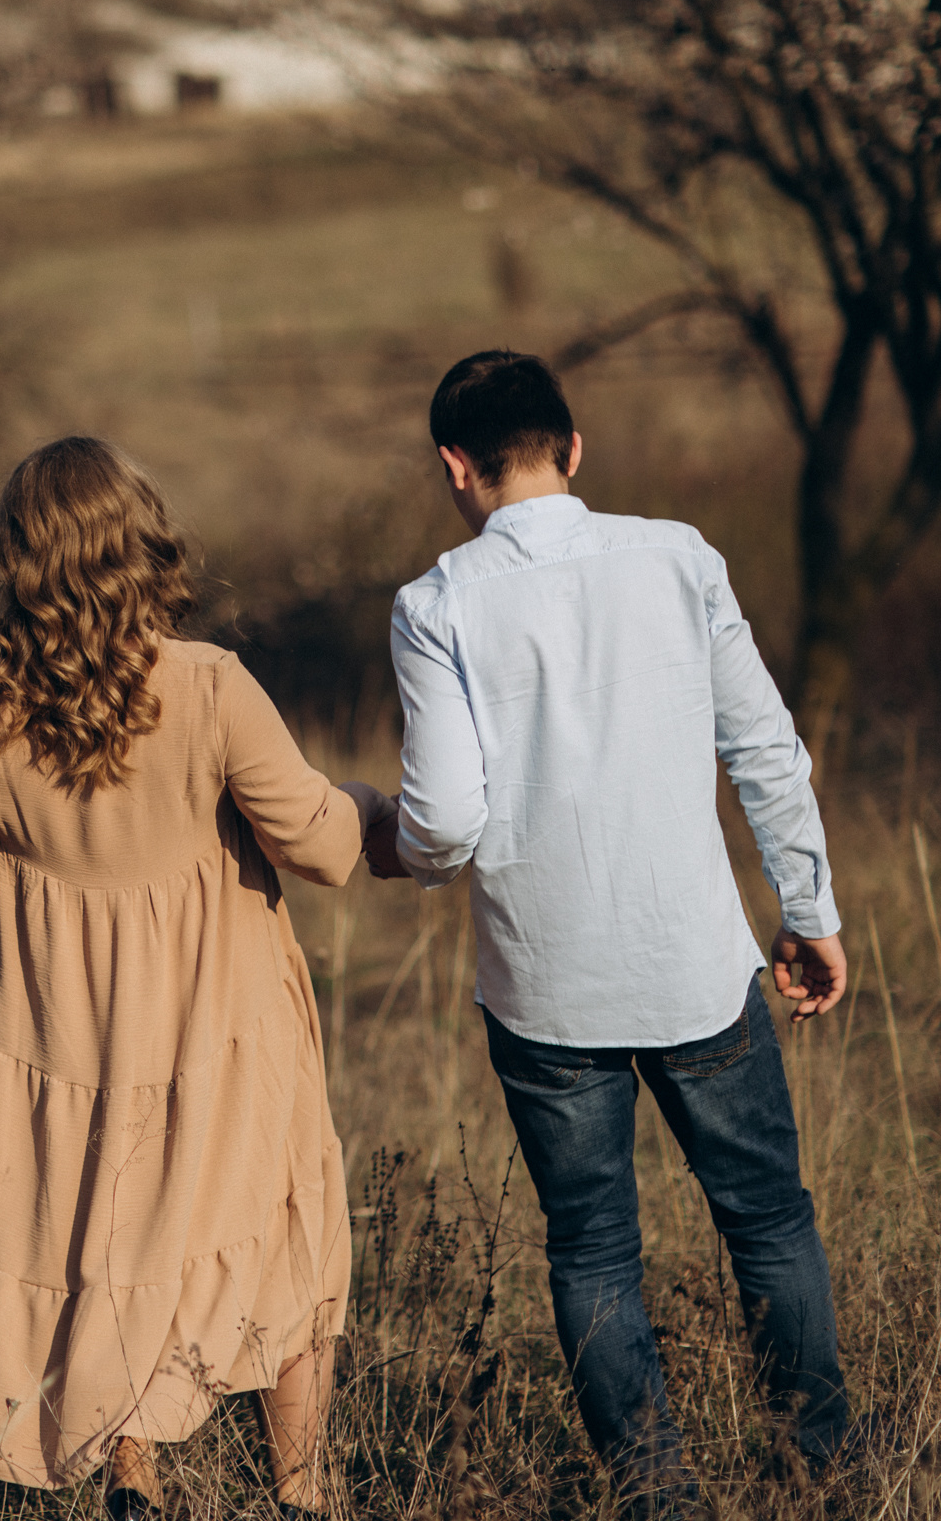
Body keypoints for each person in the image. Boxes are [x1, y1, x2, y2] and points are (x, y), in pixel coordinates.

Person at [0, 436, 389, 1518]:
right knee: (290, 1241)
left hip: (73, 1051)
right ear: (142, 542)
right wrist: (388, 809)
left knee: (107, 1245)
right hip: (228, 1036)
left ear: (18, 561)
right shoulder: (212, 688)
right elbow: (322, 844)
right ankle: (302, 1495)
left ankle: (132, 1473)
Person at [361, 351, 851, 1517]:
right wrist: (811, 911)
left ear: (452, 468)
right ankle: (824, 1461)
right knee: (769, 1217)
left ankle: (654, 1489)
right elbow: (767, 751)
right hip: (696, 962)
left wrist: (397, 848)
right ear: (572, 450)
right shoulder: (680, 557)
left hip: (545, 988)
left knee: (591, 1246)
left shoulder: (435, 605)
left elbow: (444, 822)